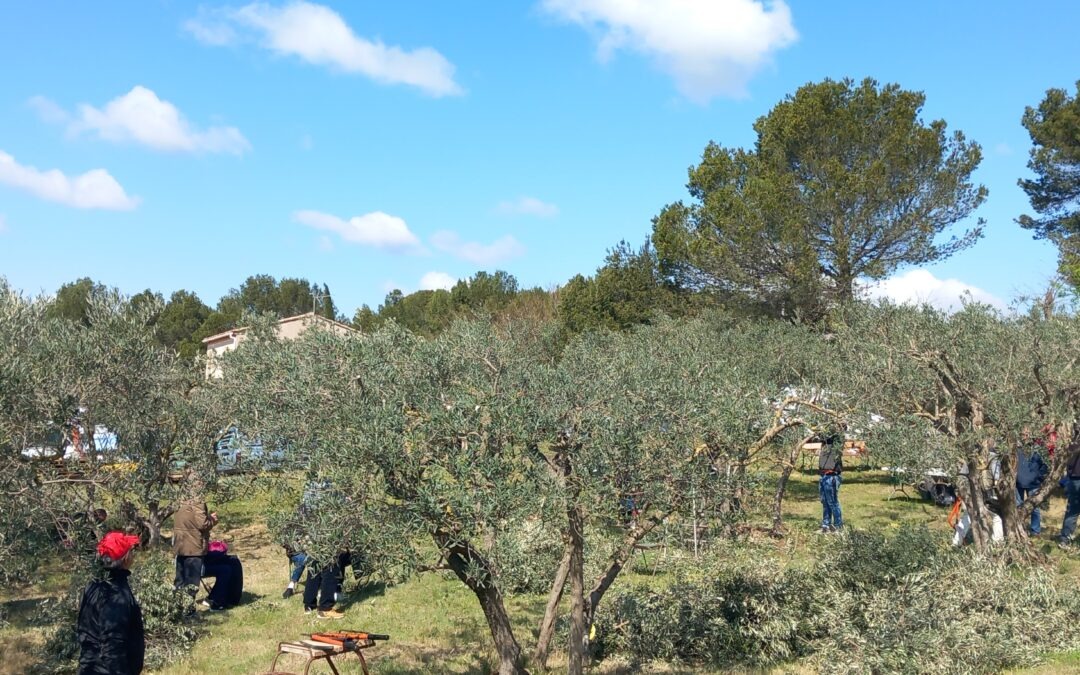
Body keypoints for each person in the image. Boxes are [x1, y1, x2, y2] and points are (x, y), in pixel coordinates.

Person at [77, 531, 145, 675]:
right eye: (131, 552)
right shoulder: (117, 596)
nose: (133, 556)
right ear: (125, 558)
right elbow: (112, 646)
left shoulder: (93, 584)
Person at [172, 484, 218, 606]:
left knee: (180, 580)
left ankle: (176, 607)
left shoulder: (180, 498)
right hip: (194, 546)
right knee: (191, 582)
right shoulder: (198, 501)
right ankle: (188, 610)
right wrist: (212, 520)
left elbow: (189, 520)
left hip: (181, 545)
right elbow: (202, 524)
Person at [1015, 431, 1050, 535]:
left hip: (1034, 483)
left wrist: (1039, 476)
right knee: (1018, 507)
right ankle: (1020, 529)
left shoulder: (1038, 449)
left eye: (1026, 434)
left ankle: (1035, 530)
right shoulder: (1016, 449)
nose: (1024, 437)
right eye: (1022, 434)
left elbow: (1045, 465)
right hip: (1018, 483)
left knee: (1034, 507)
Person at [818, 433, 843, 533]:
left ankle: (838, 525)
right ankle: (826, 524)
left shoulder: (836, 446)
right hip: (823, 477)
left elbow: (842, 429)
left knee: (832, 502)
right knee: (825, 502)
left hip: (831, 476)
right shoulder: (824, 446)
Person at [1058, 449, 1080, 548]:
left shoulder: (1073, 441)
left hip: (1074, 478)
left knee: (1072, 512)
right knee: (1072, 512)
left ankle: (1065, 539)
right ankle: (1065, 538)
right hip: (1075, 478)